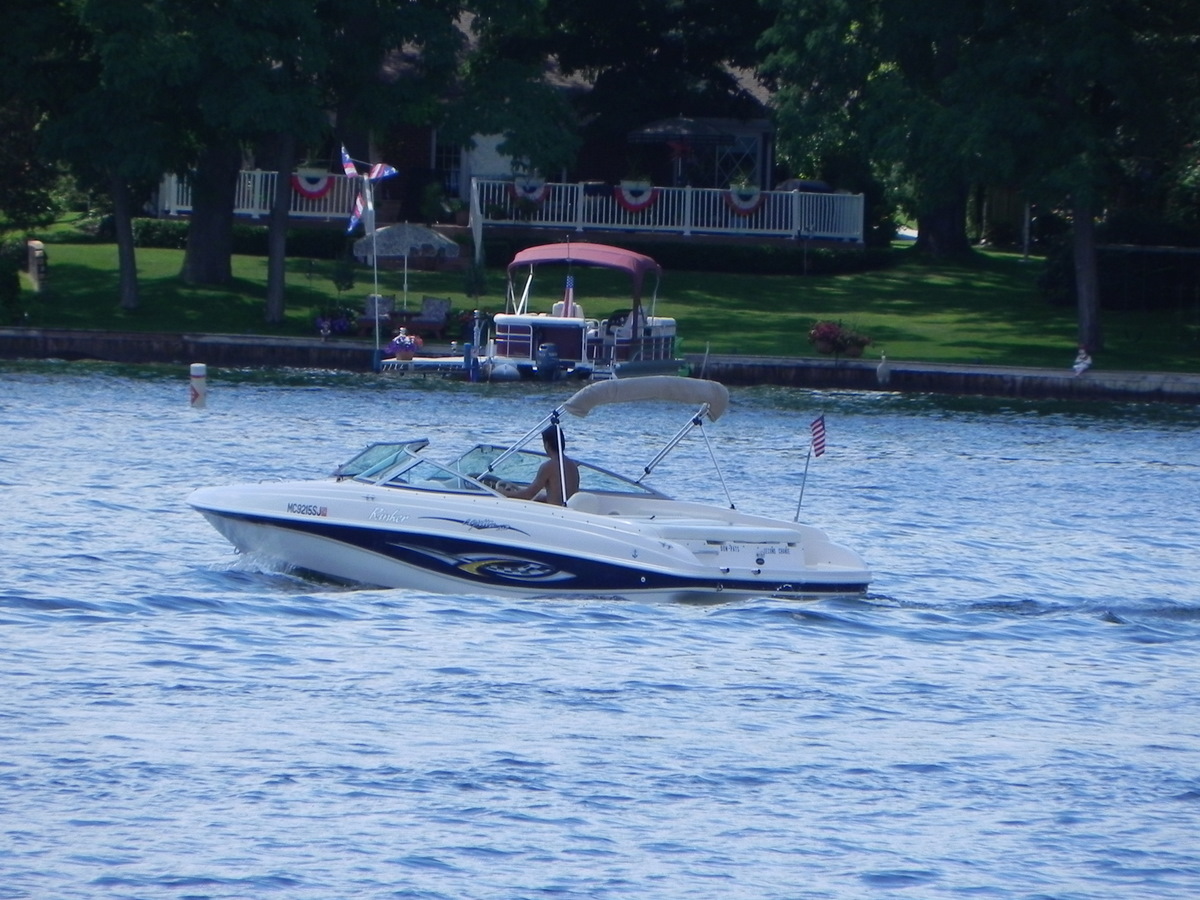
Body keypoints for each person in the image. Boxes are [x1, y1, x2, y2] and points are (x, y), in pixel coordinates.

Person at [507, 425, 580, 505]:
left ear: (547, 444)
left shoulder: (548, 466)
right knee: (540, 498)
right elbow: (563, 494)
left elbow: (528, 495)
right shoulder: (573, 465)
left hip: (555, 513)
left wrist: (504, 493)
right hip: (567, 510)